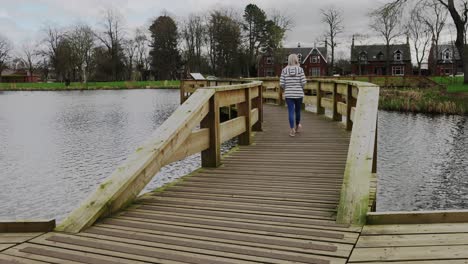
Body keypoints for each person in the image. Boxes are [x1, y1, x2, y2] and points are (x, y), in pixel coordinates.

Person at [279, 54, 306, 137]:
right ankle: (297, 126)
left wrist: (287, 88)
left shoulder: (284, 70)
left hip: (289, 94)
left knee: (291, 112)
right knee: (298, 111)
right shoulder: (300, 70)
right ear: (296, 60)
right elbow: (304, 82)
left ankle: (292, 130)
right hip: (298, 94)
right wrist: (300, 87)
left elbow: (282, 84)